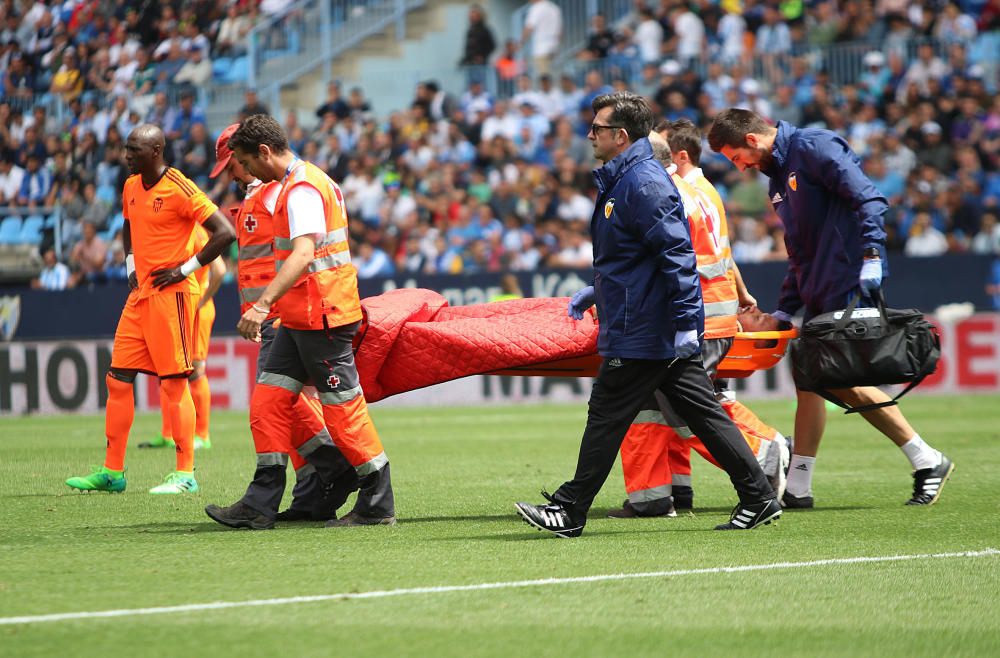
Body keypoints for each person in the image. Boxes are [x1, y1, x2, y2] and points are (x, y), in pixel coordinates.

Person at [514, 93, 779, 538]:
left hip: (647, 328)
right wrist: (598, 291)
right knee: (703, 412)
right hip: (647, 322)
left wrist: (682, 324)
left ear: (620, 136)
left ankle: (569, 508)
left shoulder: (642, 183)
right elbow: (631, 260)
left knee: (607, 411)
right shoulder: (628, 179)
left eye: (597, 128)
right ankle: (758, 496)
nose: (590, 135)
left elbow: (677, 256)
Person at [707, 108, 955, 508]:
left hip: (850, 280)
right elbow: (799, 249)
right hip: (819, 287)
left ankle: (926, 458)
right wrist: (786, 308)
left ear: (752, 140)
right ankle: (800, 487)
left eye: (737, 158)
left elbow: (868, 199)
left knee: (834, 375)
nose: (741, 167)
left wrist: (872, 254)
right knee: (809, 377)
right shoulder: (776, 177)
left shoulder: (814, 147)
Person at [205, 115, 394, 530]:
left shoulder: (303, 189)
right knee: (268, 404)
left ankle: (377, 502)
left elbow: (304, 253)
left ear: (265, 152)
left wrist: (262, 304)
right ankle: (260, 503)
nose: (246, 172)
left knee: (343, 411)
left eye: (244, 161)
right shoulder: (295, 185)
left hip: (322, 314)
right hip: (299, 316)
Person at [608, 123, 790, 519]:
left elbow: (674, 262)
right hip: (709, 311)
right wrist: (741, 294)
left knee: (688, 406)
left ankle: (762, 453)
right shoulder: (703, 194)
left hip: (695, 316)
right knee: (657, 403)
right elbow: (719, 254)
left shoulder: (673, 196)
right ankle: (661, 494)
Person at [65, 124, 235, 495]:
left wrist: (183, 269)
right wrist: (130, 264)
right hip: (141, 294)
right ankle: (113, 472)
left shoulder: (180, 187)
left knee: (173, 383)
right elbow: (128, 224)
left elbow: (225, 232)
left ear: (156, 150)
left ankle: (185, 473)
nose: (126, 156)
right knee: (117, 379)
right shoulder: (130, 185)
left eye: (134, 150)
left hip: (172, 295)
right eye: (126, 149)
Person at [141, 224, 225, 451]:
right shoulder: (180, 229)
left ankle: (202, 435)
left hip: (195, 306)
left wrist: (203, 299)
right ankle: (168, 433)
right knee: (167, 369)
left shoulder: (197, 232)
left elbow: (220, 269)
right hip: (177, 305)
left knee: (196, 368)